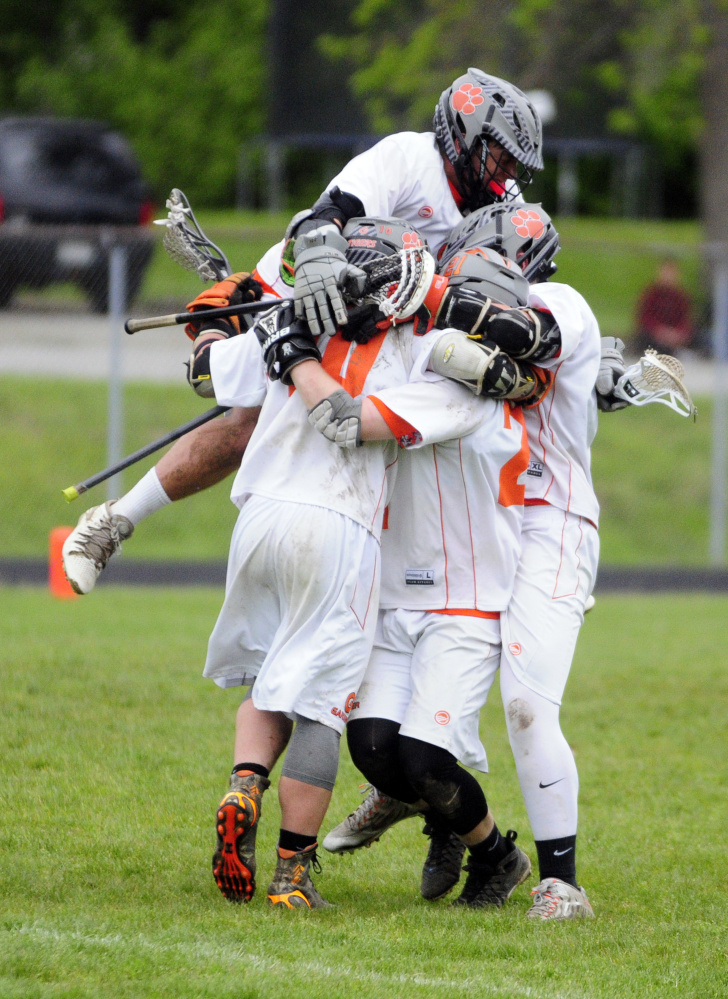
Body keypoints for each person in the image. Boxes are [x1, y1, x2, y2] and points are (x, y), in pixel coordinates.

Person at [62, 68, 545, 595]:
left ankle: (536, 568)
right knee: (236, 414)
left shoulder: (502, 199)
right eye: (499, 153)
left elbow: (517, 276)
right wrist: (330, 290)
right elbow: (321, 223)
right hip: (321, 292)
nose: (508, 170)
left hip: (399, 322)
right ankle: (115, 519)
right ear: (463, 136)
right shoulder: (408, 159)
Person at [201, 217, 551, 909]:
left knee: (269, 673)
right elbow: (351, 413)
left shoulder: (291, 318)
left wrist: (232, 314)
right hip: (337, 524)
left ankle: (246, 782)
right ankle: (291, 875)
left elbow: (207, 369)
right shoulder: (419, 351)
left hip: (257, 517)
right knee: (321, 708)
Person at [324, 202, 599, 920]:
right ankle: (426, 794)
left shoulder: (554, 305)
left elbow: (520, 346)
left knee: (527, 703)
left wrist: (433, 296)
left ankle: (558, 880)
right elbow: (464, 355)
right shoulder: (457, 339)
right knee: (393, 741)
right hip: (484, 527)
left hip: (549, 520)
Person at [634, 258, 695, 356]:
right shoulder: (652, 293)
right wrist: (660, 331)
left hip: (674, 334)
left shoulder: (680, 295)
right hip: (655, 334)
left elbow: (685, 319)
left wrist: (677, 334)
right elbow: (645, 318)